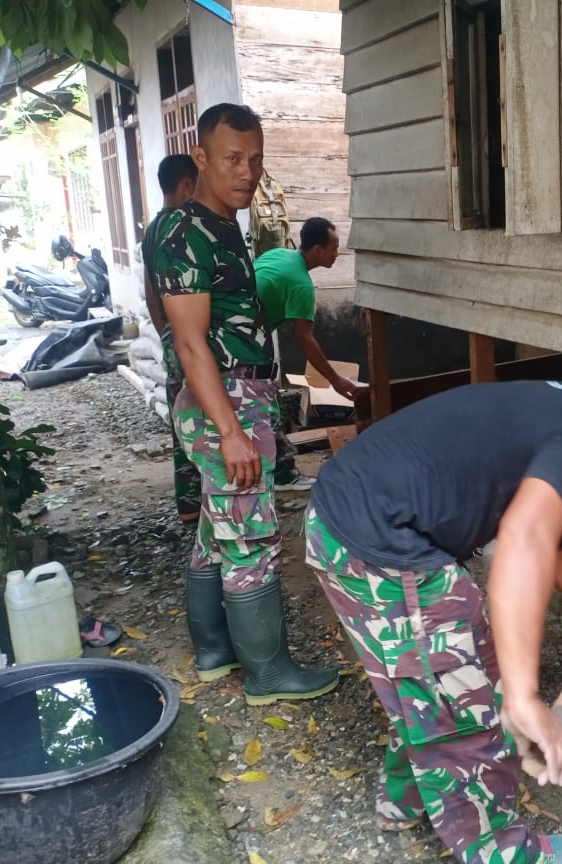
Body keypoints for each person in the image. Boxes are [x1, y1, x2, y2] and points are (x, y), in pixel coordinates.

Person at [305, 335, 562, 864]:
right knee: (470, 698)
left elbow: (536, 521)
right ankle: (504, 851)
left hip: (348, 512)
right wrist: (522, 694)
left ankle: (404, 801)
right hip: (378, 540)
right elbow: (524, 537)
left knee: (430, 675)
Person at [152, 103, 338, 705]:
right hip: (223, 399)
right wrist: (231, 430)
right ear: (201, 157)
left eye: (255, 159)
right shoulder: (183, 230)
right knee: (251, 537)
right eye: (232, 158)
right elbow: (188, 340)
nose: (246, 171)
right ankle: (268, 673)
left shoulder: (225, 224)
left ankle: (213, 652)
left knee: (219, 527)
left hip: (240, 392)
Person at [254, 217, 358, 491]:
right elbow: (306, 340)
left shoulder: (280, 254)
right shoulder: (301, 284)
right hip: (247, 341)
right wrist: (336, 380)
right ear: (316, 249)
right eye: (333, 247)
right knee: (265, 406)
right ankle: (282, 476)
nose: (337, 253)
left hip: (231, 331)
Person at [142, 154, 201, 526]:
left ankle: (190, 506)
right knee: (208, 416)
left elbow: (150, 293)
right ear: (187, 185)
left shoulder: (151, 230)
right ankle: (218, 504)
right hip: (195, 342)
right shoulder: (187, 226)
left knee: (182, 423)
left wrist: (166, 332)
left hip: (171, 338)